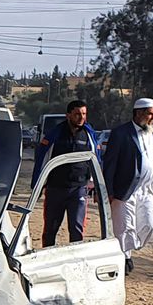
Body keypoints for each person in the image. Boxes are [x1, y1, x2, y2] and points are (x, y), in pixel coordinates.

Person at [100, 97, 153, 270]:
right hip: (125, 190)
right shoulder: (121, 134)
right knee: (124, 226)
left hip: (148, 190)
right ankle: (124, 258)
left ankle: (130, 248)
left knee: (149, 223)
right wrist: (107, 191)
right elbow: (110, 164)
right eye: (150, 114)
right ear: (139, 113)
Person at [32, 100, 97, 246]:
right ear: (68, 115)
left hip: (79, 189)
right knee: (50, 229)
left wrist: (96, 186)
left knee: (76, 229)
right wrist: (38, 185)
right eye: (77, 114)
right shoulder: (55, 134)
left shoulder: (88, 135)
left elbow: (95, 160)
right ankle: (47, 257)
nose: (81, 118)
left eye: (84, 114)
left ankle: (76, 261)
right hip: (56, 189)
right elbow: (43, 159)